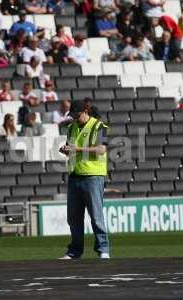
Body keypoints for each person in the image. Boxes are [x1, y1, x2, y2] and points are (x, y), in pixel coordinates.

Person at [59, 100, 109, 260]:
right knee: (73, 217)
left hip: (93, 175)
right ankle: (75, 250)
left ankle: (103, 249)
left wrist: (77, 149)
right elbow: (72, 151)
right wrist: (66, 151)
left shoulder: (99, 126)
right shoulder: (71, 128)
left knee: (96, 216)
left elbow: (101, 149)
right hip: (75, 175)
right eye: (73, 114)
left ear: (85, 111)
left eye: (77, 114)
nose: (74, 117)